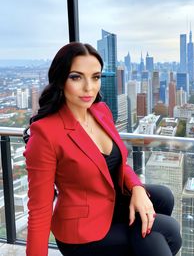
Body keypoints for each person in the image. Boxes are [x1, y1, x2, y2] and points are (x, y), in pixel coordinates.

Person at [23, 42, 182, 256]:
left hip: (110, 202)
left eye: (95, 77)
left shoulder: (100, 111)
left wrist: (137, 188)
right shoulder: (45, 134)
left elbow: (119, 164)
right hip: (81, 230)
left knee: (163, 197)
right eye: (76, 77)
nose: (89, 87)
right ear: (60, 79)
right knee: (166, 231)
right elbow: (39, 211)